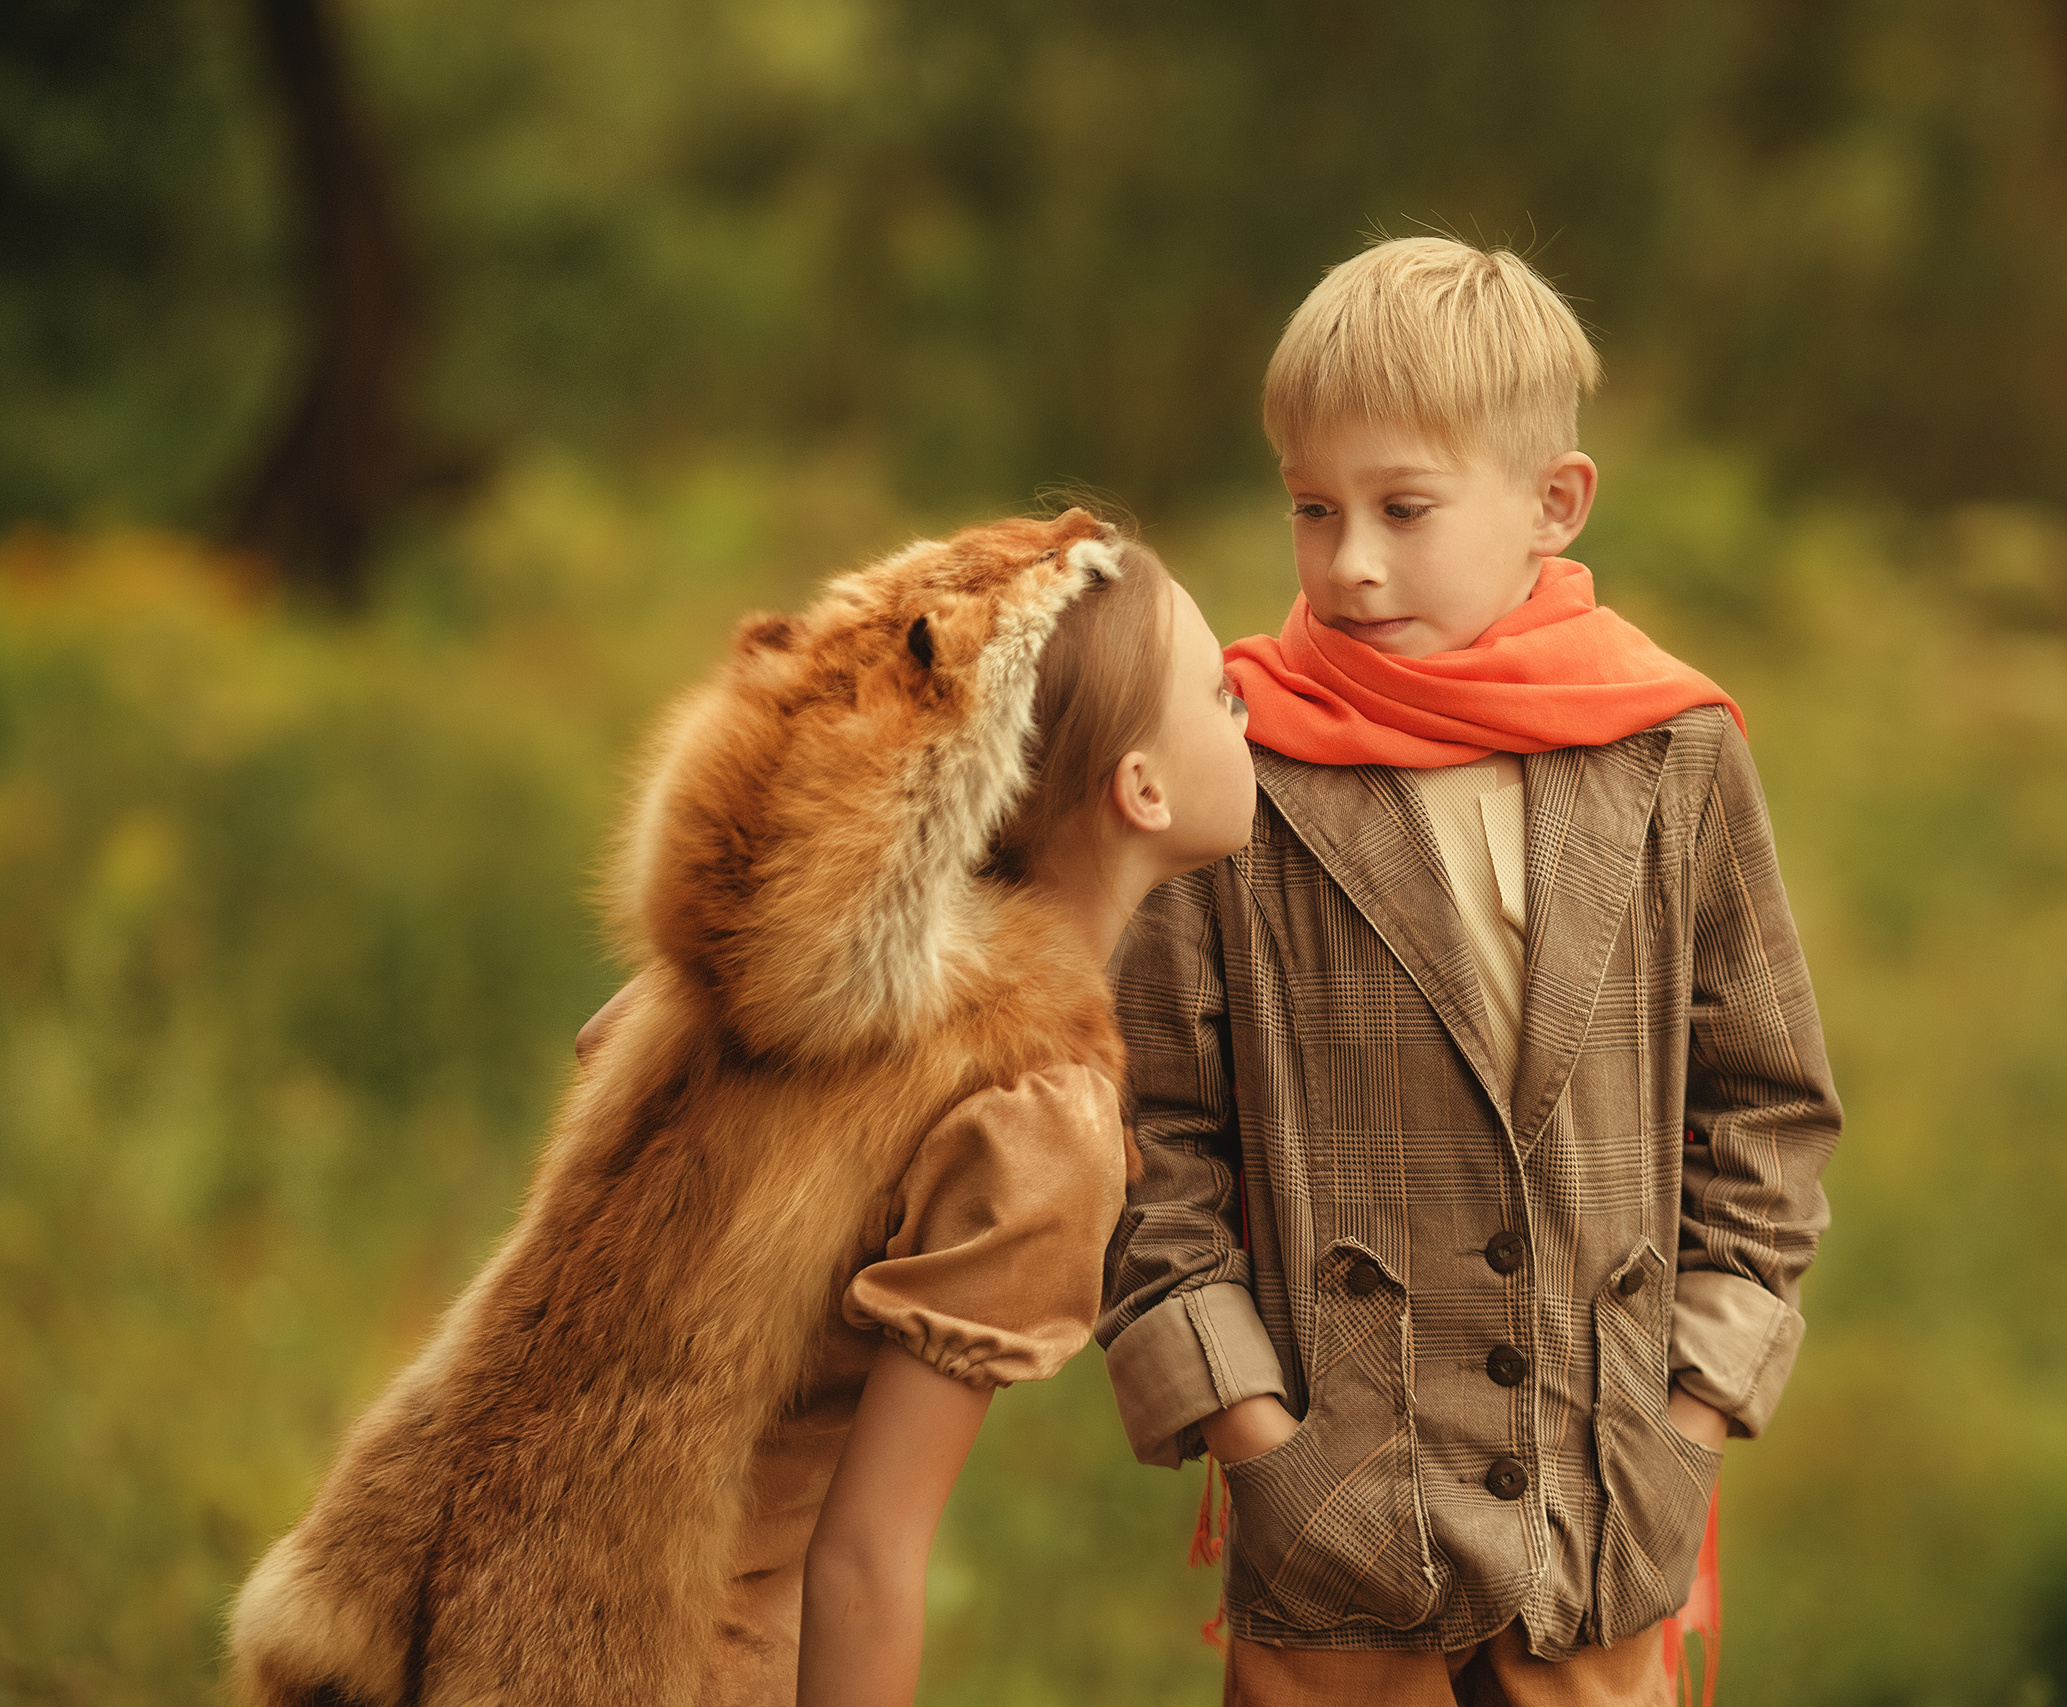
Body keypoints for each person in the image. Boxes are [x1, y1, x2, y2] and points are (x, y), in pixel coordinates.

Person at [229, 510, 1256, 1707]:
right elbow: (867, 1560)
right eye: (1221, 692)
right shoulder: (1038, 1116)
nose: (1250, 703)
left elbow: (605, 1053)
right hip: (662, 1666)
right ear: (1140, 788)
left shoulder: (794, 983)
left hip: (413, 1607)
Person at [1098, 238, 1844, 1705]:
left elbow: (1768, 1105)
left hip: (1604, 1524)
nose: (1349, 559)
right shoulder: (1236, 761)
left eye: (1404, 508)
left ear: (1551, 506)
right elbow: (1145, 1132)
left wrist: (1687, 1416)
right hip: (1334, 1546)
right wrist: (1267, 1444)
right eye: (1314, 508)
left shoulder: (1671, 752)